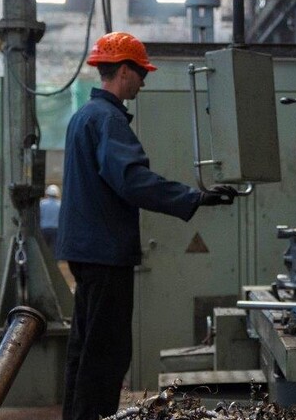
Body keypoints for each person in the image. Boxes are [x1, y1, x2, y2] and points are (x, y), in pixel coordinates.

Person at [56, 31, 238, 420]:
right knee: (106, 355)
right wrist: (194, 197)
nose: (144, 81)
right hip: (105, 254)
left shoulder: (83, 117)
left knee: (85, 351)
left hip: (86, 251)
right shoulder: (108, 119)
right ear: (123, 70)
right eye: (141, 72)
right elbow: (132, 180)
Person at [39, 184, 61, 253]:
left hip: (44, 228)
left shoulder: (42, 203)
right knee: (54, 249)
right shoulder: (60, 204)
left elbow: (39, 215)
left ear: (47, 193)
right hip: (56, 229)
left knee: (43, 249)